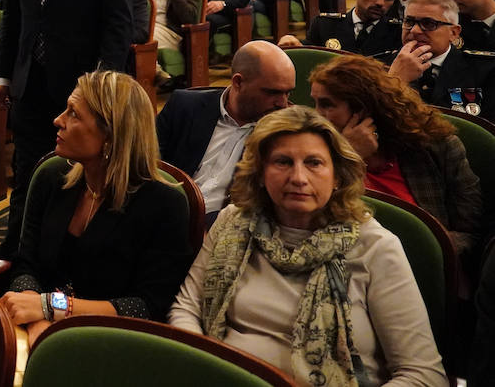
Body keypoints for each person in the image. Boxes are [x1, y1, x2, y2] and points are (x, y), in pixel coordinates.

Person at [169, 105, 446, 387]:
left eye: (314, 163)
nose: (299, 178)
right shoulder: (233, 222)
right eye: (282, 162)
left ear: (337, 175)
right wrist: (201, 368)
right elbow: (186, 309)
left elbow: (423, 375)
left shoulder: (376, 246)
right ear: (260, 173)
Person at [0, 0, 131, 260]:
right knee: (26, 173)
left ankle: (67, 251)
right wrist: (3, 76)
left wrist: (101, 87)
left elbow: (118, 23)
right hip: (29, 84)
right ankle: (16, 249)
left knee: (77, 175)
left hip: (81, 89)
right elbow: (14, 21)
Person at [0, 71, 192, 344]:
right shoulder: (52, 178)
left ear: (111, 137)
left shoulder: (164, 204)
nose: (58, 120)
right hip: (35, 327)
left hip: (111, 341)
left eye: (74, 114)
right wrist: (37, 322)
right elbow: (25, 263)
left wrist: (50, 308)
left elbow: (146, 306)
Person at [310, 53, 483, 258]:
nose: (316, 115)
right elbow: (313, 224)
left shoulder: (436, 147)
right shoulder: (316, 153)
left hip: (424, 264)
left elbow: (472, 232)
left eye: (327, 105)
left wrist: (429, 248)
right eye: (316, 103)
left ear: (361, 108)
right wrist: (349, 157)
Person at [156, 41, 295, 217]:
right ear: (238, 82)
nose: (282, 103)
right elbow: (147, 163)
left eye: (288, 93)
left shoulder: (285, 131)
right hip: (164, 213)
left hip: (225, 227)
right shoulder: (184, 106)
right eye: (272, 93)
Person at [380, 0, 495, 114]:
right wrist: (395, 79)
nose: (414, 30)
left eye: (428, 23)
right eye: (409, 22)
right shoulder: (376, 66)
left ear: (454, 33)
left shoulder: (485, 70)